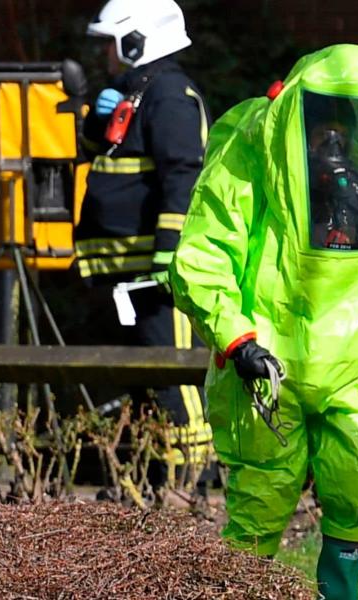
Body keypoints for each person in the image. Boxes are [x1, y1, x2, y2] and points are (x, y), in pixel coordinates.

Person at [170, 44, 358, 599]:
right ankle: (242, 591)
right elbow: (202, 258)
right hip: (264, 371)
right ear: (297, 122)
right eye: (324, 131)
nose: (334, 146)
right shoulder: (251, 165)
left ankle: (338, 593)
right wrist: (238, 340)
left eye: (344, 132)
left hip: (342, 370)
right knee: (262, 499)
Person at [75, 0, 213, 485]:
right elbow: (98, 149)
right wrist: (96, 119)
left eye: (111, 43)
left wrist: (169, 253)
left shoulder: (170, 97)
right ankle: (146, 476)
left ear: (136, 41)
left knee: (170, 375)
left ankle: (189, 481)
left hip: (155, 272)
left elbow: (183, 177)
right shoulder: (132, 91)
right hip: (122, 271)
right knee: (137, 376)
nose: (105, 55)